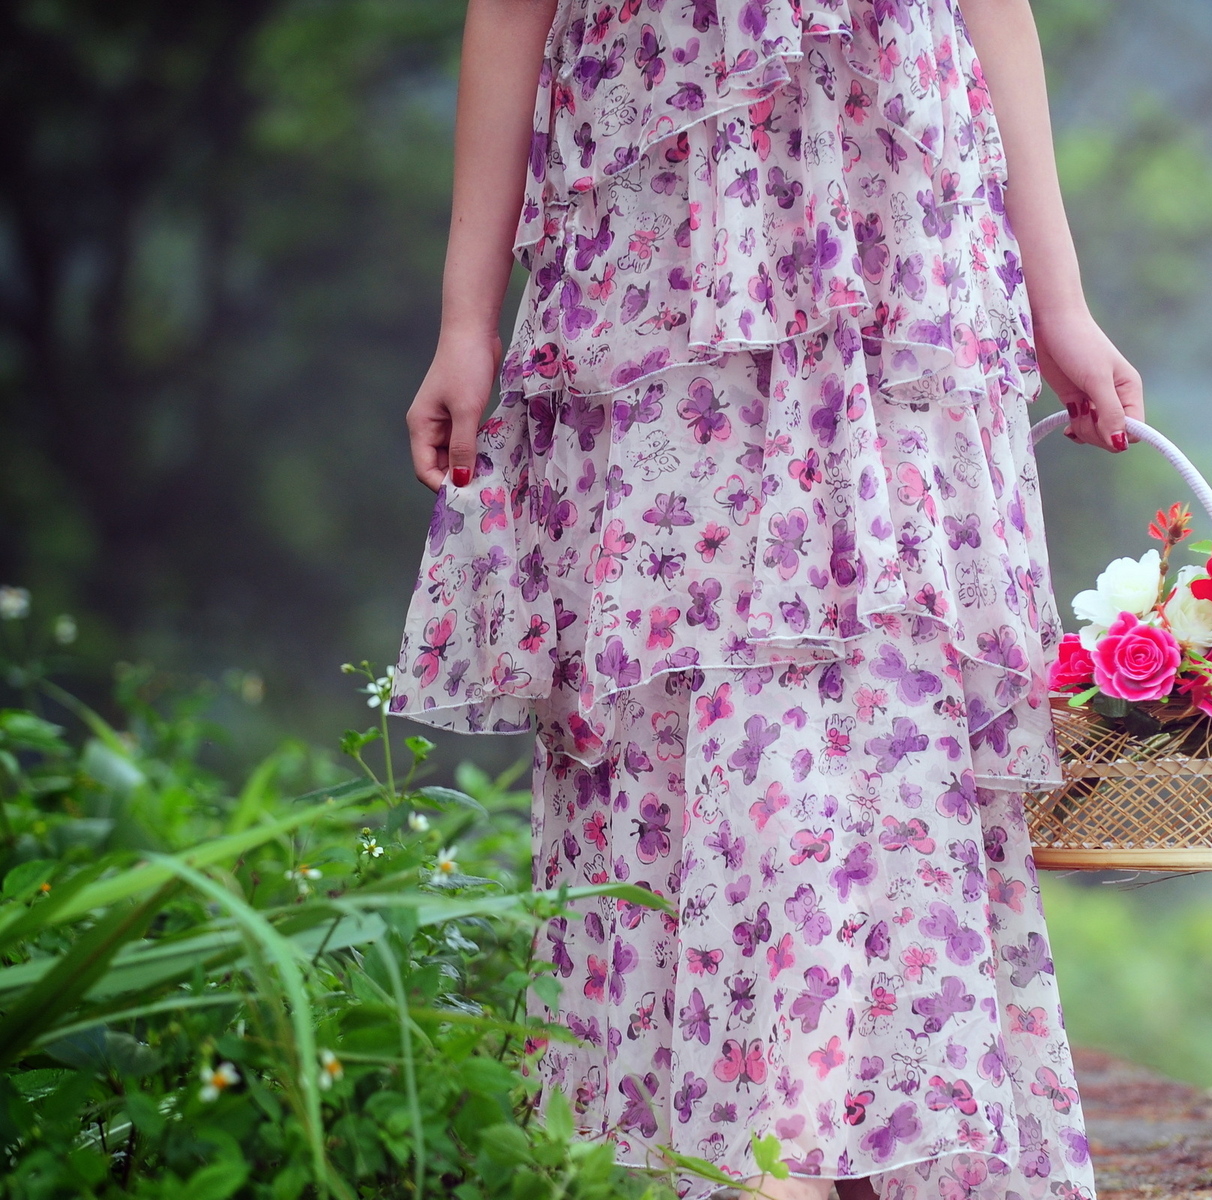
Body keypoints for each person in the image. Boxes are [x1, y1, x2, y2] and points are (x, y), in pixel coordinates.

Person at [388, 3, 1142, 1198]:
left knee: (892, 722)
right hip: (664, 242)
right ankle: (740, 1166)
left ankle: (824, 1164)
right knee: (684, 721)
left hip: (895, 226)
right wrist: (466, 322)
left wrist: (1061, 300)